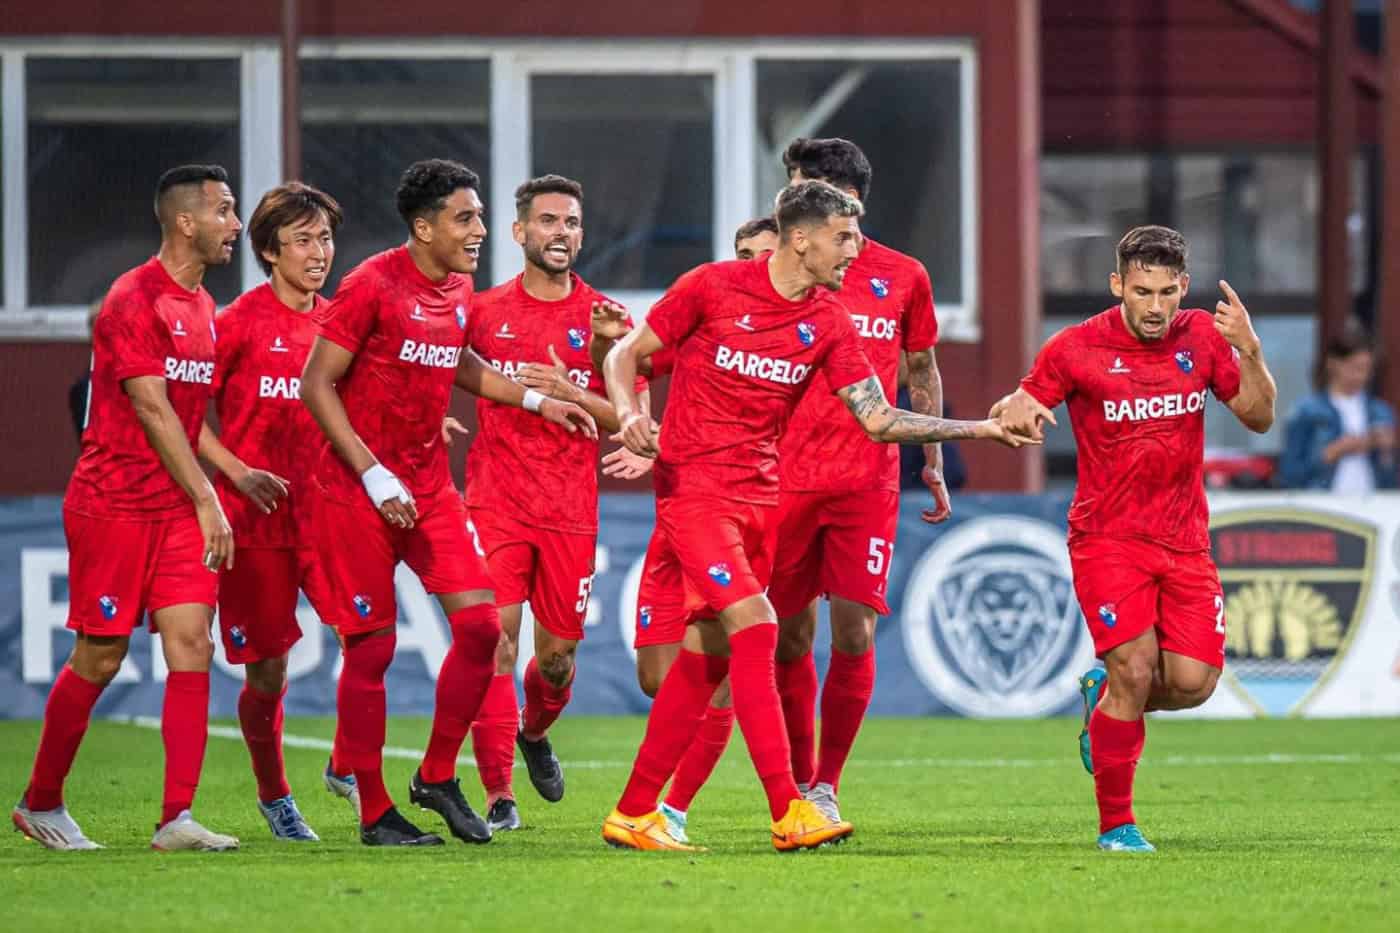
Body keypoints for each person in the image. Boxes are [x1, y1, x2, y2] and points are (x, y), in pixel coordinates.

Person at [599, 180, 1033, 852]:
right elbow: (624, 354)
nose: (856, 250)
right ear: (800, 237)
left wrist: (978, 428)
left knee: (708, 656)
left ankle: (634, 810)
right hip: (695, 492)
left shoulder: (828, 321)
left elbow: (878, 417)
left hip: (759, 501)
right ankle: (788, 807)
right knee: (758, 623)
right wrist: (630, 412)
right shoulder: (712, 288)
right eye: (844, 236)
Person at [299, 159, 596, 847]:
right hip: (356, 490)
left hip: (429, 488)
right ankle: (375, 810)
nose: (480, 231)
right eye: (465, 218)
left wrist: (536, 399)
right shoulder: (371, 284)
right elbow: (318, 384)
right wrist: (373, 474)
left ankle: (435, 774)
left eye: (481, 216)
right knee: (371, 649)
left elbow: (458, 363)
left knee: (482, 630)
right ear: (423, 225)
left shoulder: (459, 288)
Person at [993, 225, 1277, 853]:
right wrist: (1016, 408)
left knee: (1194, 683)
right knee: (1136, 666)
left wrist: (1250, 351)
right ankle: (1117, 826)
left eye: (1167, 292)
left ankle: (1104, 702)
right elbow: (1025, 399)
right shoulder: (1075, 348)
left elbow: (1259, 418)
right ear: (1117, 284)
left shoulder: (1202, 337)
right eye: (1142, 291)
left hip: (1185, 541)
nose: (1155, 306)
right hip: (1107, 538)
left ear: (1184, 287)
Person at [13, 165, 243, 851]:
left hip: (174, 508)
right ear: (185, 221)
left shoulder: (203, 307)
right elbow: (149, 407)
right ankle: (41, 801)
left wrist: (223, 474)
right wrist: (211, 497)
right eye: (225, 211)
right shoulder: (131, 299)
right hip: (112, 504)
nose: (234, 226)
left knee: (193, 642)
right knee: (101, 653)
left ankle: (177, 817)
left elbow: (185, 414)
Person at [766, 138, 946, 824]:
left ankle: (824, 783)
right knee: (784, 633)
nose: (791, 201)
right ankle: (795, 777)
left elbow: (921, 368)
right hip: (781, 475)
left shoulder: (903, 275)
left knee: (855, 633)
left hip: (866, 481)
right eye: (790, 188)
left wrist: (930, 458)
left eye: (805, 186)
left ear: (853, 201)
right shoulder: (779, 270)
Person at [461, 175, 635, 832]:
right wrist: (430, 423)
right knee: (494, 642)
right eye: (548, 221)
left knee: (556, 659)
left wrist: (570, 386)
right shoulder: (482, 311)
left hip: (570, 508)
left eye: (571, 223)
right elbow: (434, 369)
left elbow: (628, 418)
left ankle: (534, 732)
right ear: (520, 232)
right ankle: (499, 794)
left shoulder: (606, 319)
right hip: (497, 500)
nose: (561, 233)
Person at [195, 181, 360, 840]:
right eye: (303, 240)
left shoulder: (342, 321)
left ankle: (349, 763)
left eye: (325, 238)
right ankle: (274, 794)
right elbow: (184, 416)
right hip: (256, 520)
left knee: (367, 636)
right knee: (268, 668)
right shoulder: (234, 322)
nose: (319, 252)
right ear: (268, 250)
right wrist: (234, 472)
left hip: (328, 513)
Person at [1279, 328, 1396, 492]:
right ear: (1333, 364)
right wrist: (1333, 452)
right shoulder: (1306, 411)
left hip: (1374, 504)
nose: (1361, 376)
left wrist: (1386, 450)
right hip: (1323, 504)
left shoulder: (1380, 411)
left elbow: (1391, 475)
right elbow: (1290, 473)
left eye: (1367, 369)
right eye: (1355, 368)